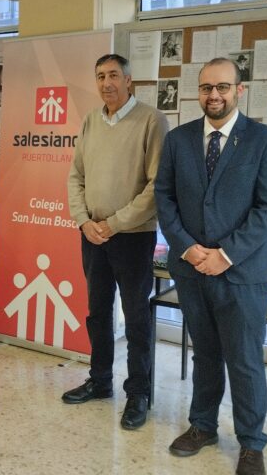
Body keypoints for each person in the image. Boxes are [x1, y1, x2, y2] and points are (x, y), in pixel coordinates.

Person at [154, 58, 267, 475]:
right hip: (192, 268)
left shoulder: (264, 140)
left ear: (239, 90)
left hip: (242, 272)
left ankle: (251, 443)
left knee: (244, 359)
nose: (214, 95)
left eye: (223, 87)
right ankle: (202, 425)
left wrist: (224, 254)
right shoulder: (177, 140)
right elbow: (164, 198)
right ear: (199, 91)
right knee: (205, 353)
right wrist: (187, 248)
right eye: (207, 87)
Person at [62, 54, 169, 431]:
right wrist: (84, 221)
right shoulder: (91, 120)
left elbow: (157, 186)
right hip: (93, 235)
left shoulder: (152, 120)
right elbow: (75, 176)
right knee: (97, 312)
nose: (106, 83)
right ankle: (101, 380)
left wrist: (114, 223)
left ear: (128, 80)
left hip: (133, 237)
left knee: (136, 317)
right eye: (100, 76)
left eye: (113, 75)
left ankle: (138, 392)